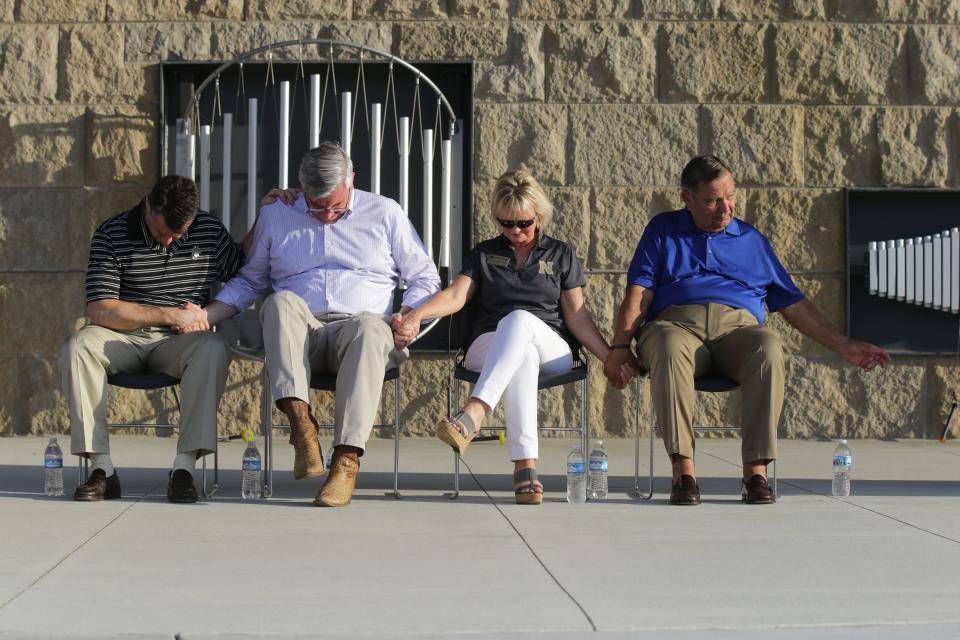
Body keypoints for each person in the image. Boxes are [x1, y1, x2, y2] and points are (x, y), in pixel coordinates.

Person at [604, 155, 890, 506]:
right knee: (666, 345)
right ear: (687, 198)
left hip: (737, 331)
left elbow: (793, 304)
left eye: (730, 197)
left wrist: (844, 345)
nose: (724, 208)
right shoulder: (663, 230)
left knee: (768, 346)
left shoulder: (752, 240)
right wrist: (619, 346)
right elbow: (639, 293)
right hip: (675, 325)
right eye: (712, 200)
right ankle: (684, 471)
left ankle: (755, 472)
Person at [200, 142, 441, 507]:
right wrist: (205, 315)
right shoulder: (277, 214)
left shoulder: (384, 212)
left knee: (371, 328)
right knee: (279, 302)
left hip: (362, 334)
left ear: (352, 180)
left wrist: (411, 315)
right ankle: (302, 426)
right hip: (300, 335)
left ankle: (346, 461)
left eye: (337, 205)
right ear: (302, 190)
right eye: (317, 205)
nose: (327, 214)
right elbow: (250, 281)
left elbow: (425, 278)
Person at [396, 168, 625, 504]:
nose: (515, 231)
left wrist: (610, 357)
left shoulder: (560, 254)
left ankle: (474, 412)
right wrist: (416, 314)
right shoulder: (484, 253)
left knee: (520, 321)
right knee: (522, 355)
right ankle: (525, 468)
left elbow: (577, 316)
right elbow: (457, 296)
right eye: (506, 224)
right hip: (487, 345)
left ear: (539, 216)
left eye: (524, 223)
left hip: (553, 346)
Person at [60, 175, 246, 503]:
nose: (170, 240)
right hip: (119, 338)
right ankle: (101, 469)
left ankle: (184, 468)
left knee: (214, 347)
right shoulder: (112, 233)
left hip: (178, 343)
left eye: (180, 233)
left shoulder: (209, 229)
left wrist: (267, 213)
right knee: (78, 346)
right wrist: (169, 314)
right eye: (163, 232)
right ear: (149, 204)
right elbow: (101, 310)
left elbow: (246, 277)